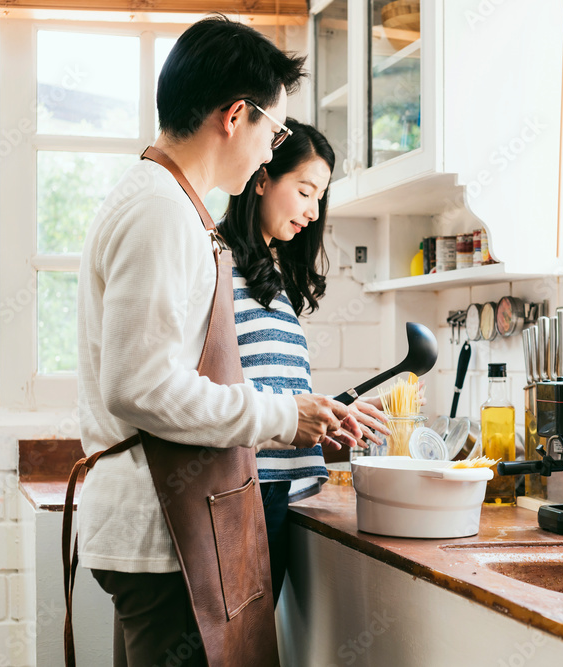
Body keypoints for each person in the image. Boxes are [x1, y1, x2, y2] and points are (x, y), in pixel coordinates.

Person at [76, 16, 360, 666]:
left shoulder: (159, 199)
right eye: (275, 131)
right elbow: (141, 388)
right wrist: (284, 413)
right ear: (236, 116)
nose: (271, 150)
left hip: (164, 526)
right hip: (161, 532)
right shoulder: (159, 211)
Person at [217, 119, 389, 605]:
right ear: (262, 176)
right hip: (235, 500)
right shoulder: (216, 265)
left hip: (269, 496)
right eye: (305, 191)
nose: (314, 212)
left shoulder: (269, 278)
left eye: (321, 197)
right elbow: (210, 397)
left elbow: (270, 401)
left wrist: (335, 419)